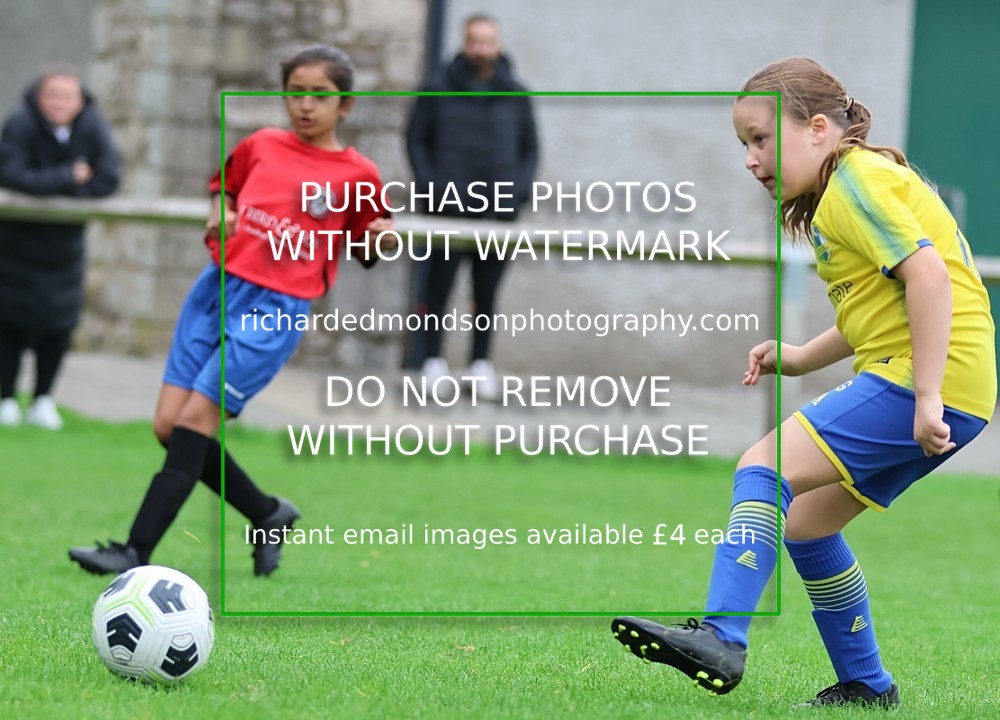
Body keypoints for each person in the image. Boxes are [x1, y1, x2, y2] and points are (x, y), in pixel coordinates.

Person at [612, 57, 995, 708]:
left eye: (760, 139)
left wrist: (926, 393)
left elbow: (929, 279)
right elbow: (877, 308)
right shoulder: (840, 197)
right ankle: (867, 687)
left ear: (818, 128)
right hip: (953, 386)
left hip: (928, 379)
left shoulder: (857, 184)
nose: (750, 159)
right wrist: (798, 357)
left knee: (763, 465)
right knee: (808, 527)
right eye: (743, 145)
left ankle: (722, 637)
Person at [69, 44, 394, 577]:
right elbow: (225, 189)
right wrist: (221, 212)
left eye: (320, 95)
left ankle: (133, 550)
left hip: (276, 309)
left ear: (346, 105)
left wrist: (381, 237)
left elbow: (366, 250)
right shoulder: (261, 144)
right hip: (217, 292)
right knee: (168, 427)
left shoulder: (358, 175)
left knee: (196, 420)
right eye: (295, 93)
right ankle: (267, 514)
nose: (305, 105)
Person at [405, 13, 538, 399]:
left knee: (486, 294)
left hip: (497, 216)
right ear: (464, 44)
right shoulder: (435, 89)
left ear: (499, 45)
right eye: (475, 41)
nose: (482, 49)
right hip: (446, 214)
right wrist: (431, 187)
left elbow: (530, 150)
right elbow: (415, 141)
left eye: (488, 41)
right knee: (436, 290)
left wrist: (517, 194)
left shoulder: (517, 94)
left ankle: (480, 366)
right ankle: (432, 363)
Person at [0, 65, 121, 430]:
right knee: (9, 325)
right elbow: (11, 174)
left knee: (58, 326)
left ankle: (43, 400)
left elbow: (108, 178)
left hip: (65, 251)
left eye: (68, 96)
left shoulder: (92, 126)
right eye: (53, 95)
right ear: (40, 97)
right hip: (15, 248)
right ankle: (5, 399)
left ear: (80, 100)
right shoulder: (19, 123)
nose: (60, 103)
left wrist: (56, 188)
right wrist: (67, 176)